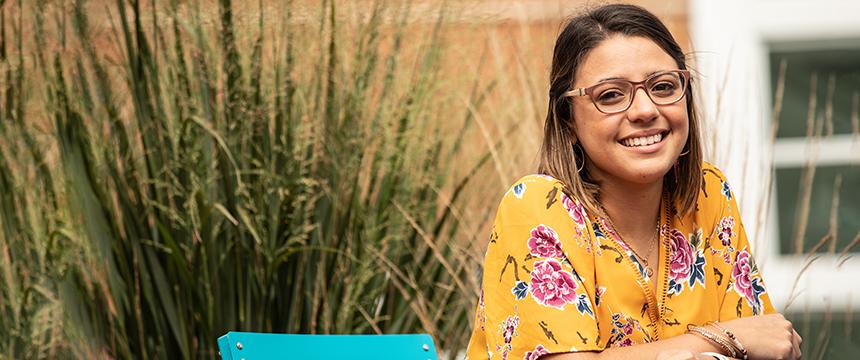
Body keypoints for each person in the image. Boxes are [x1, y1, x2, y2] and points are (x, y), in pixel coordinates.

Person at [465, 4, 802, 360]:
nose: (644, 110)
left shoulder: (708, 193)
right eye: (611, 94)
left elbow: (765, 343)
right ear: (568, 120)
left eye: (663, 86)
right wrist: (720, 338)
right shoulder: (537, 206)